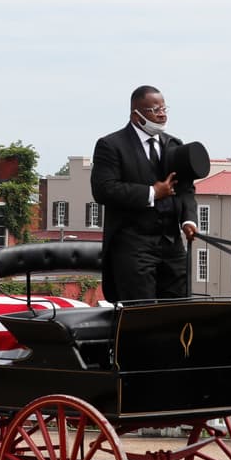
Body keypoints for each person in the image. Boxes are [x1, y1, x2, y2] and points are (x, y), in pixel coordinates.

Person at [90, 85, 198, 302]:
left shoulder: (174, 145)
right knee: (142, 311)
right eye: (155, 110)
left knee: (178, 308)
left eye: (164, 109)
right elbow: (103, 190)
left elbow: (186, 189)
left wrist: (189, 219)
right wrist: (152, 192)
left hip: (171, 244)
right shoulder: (111, 145)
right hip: (133, 245)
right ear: (136, 115)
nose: (162, 114)